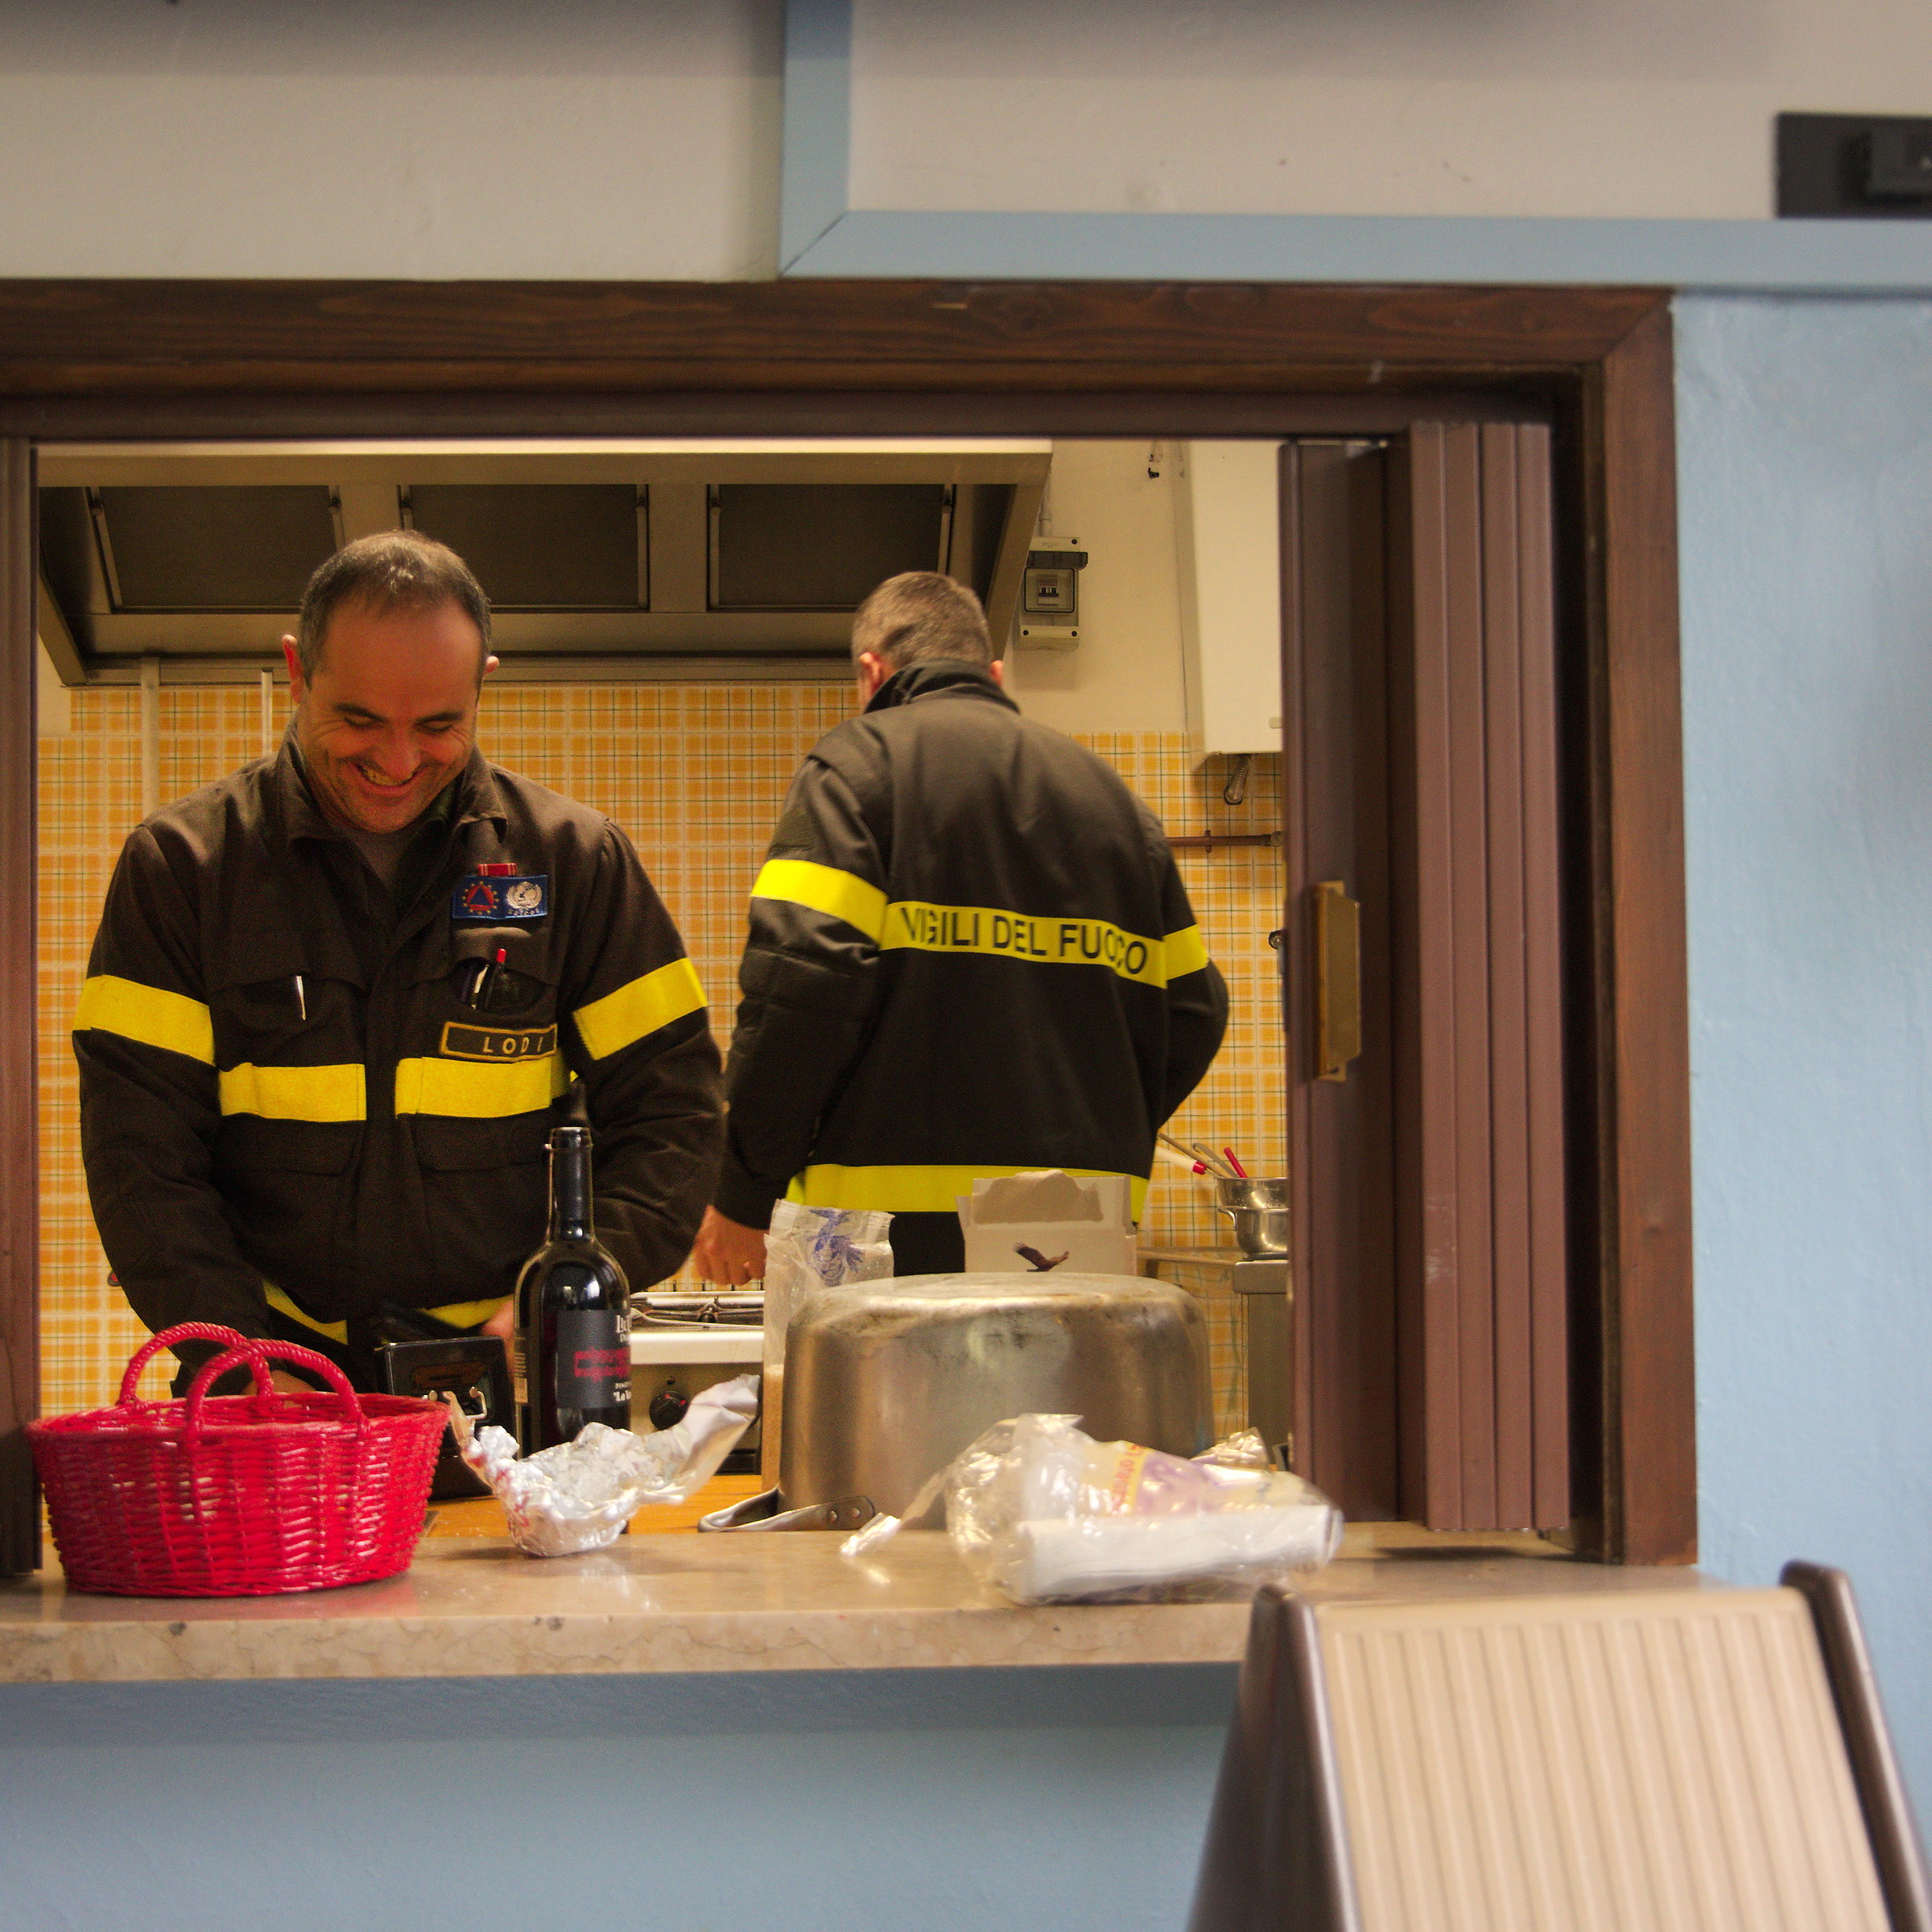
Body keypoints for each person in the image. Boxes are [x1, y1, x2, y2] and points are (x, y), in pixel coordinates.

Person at [76, 530, 721, 1393]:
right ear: (298, 672)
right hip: (274, 1386)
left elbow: (675, 1117)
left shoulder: (573, 864)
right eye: (360, 720)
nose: (399, 761)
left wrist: (564, 1304)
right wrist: (245, 1361)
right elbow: (140, 1161)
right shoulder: (185, 869)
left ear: (482, 684)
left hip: (506, 1388)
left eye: (439, 725)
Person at [690, 570, 1228, 1284]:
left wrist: (743, 1192)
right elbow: (1196, 1008)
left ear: (871, 670)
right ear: (994, 674)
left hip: (889, 1251)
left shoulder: (858, 769)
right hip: (1074, 1245)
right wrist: (1102, 1132)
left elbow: (802, 983)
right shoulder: (1116, 806)